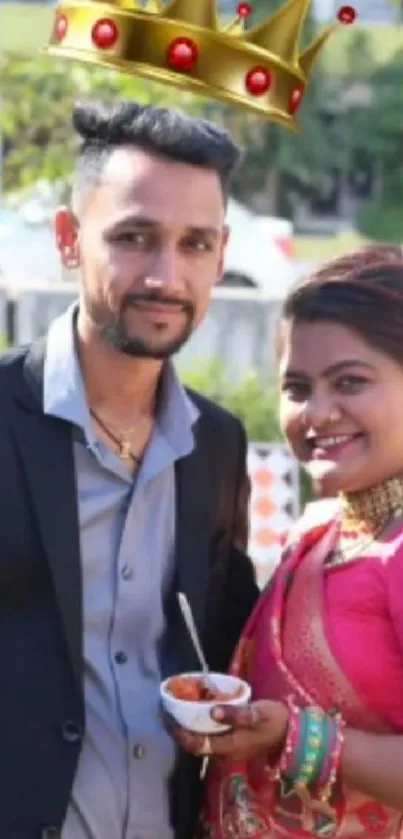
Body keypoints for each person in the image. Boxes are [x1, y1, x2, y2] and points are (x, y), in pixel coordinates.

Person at [0, 100, 259, 839]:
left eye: (194, 243)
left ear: (221, 251)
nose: (165, 275)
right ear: (69, 240)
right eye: (134, 237)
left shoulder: (217, 443)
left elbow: (230, 634)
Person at [169, 244, 403, 839]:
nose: (317, 414)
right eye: (297, 388)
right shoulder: (319, 528)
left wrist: (295, 737)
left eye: (350, 382)